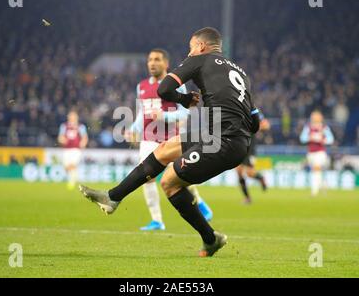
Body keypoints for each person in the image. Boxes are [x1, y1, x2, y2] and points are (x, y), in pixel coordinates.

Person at [80, 27, 260, 257]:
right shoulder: (241, 74)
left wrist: (184, 99)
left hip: (224, 140)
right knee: (166, 149)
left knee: (169, 182)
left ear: (201, 46)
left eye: (191, 47)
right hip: (226, 137)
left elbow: (163, 89)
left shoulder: (200, 60)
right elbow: (255, 122)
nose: (190, 52)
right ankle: (113, 197)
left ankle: (210, 238)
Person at [127, 48, 213, 231]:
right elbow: (142, 112)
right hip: (149, 138)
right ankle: (157, 220)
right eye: (150, 59)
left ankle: (201, 204)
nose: (152, 63)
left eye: (157, 59)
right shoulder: (141, 86)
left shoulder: (176, 85)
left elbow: (185, 111)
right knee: (147, 178)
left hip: (171, 138)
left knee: (180, 174)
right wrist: (133, 128)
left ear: (166, 63)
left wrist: (164, 116)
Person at [236, 113, 270, 204]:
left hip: (250, 148)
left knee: (249, 173)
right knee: (238, 171)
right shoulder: (237, 109)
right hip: (239, 145)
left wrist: (255, 128)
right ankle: (247, 198)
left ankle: (261, 178)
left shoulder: (252, 110)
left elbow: (266, 125)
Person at [300, 110, 334, 196]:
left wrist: (323, 140)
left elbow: (331, 139)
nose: (314, 118)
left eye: (316, 116)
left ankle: (314, 191)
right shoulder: (308, 127)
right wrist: (310, 138)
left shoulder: (324, 128)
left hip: (320, 152)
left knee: (316, 168)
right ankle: (323, 184)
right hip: (311, 153)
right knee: (315, 170)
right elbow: (302, 138)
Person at [58, 110, 88, 189]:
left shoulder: (81, 126)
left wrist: (83, 143)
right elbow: (60, 137)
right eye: (70, 116)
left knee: (73, 165)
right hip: (66, 149)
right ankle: (75, 177)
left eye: (73, 116)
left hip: (76, 149)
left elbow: (84, 137)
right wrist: (62, 140)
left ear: (76, 117)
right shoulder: (64, 126)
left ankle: (72, 181)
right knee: (66, 167)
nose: (72, 117)